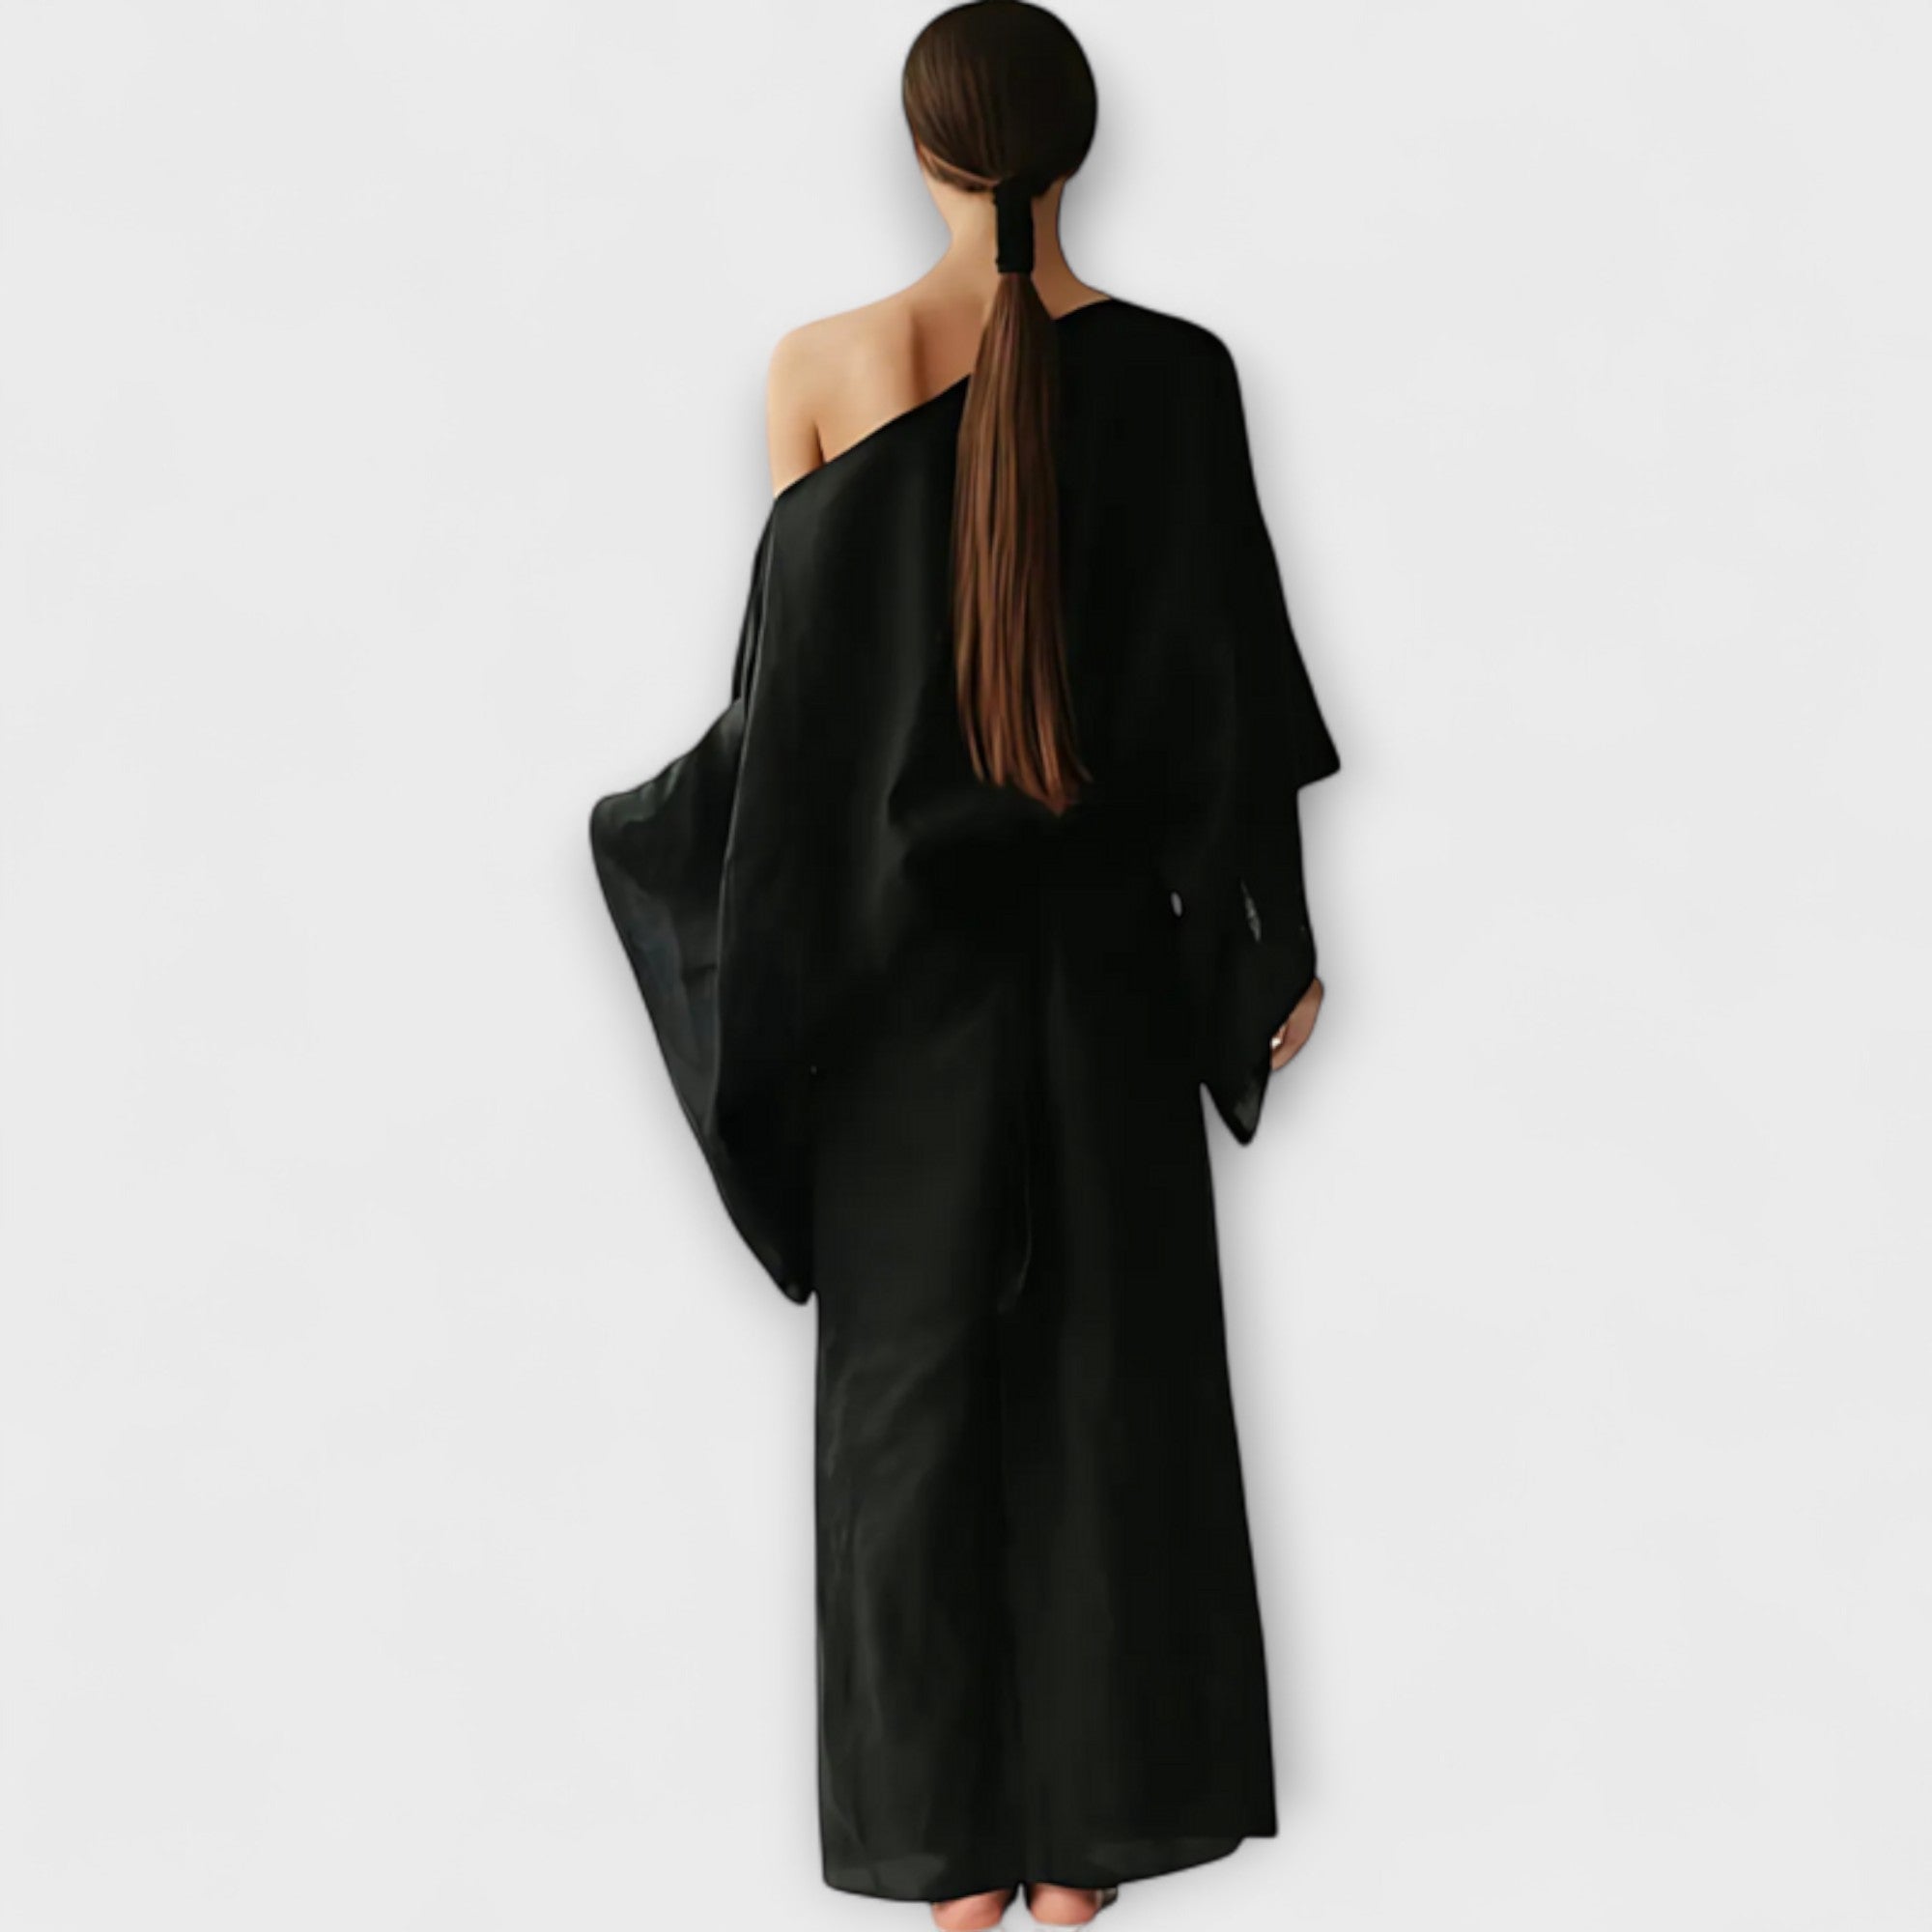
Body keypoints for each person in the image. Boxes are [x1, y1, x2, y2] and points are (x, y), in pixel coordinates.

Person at [587, 3, 1343, 1923]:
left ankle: (952, 1879)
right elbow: (1225, 708)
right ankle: (1086, 1873)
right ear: (1076, 151)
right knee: (1112, 1415)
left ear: (920, 153)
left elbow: (791, 745)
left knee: (909, 1450)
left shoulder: (821, 372)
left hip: (892, 1019)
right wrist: (1267, 945)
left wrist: (647, 858)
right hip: (1102, 999)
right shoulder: (1179, 378)